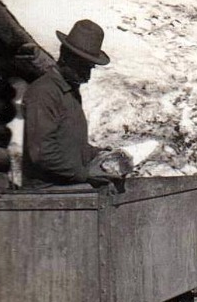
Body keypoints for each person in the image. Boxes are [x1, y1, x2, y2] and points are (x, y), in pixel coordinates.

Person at [21, 18, 124, 189]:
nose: (88, 76)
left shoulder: (70, 94)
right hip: (46, 196)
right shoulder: (44, 92)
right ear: (66, 56)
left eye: (90, 68)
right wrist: (85, 174)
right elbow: (41, 152)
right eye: (84, 67)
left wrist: (97, 153)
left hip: (66, 190)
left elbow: (70, 146)